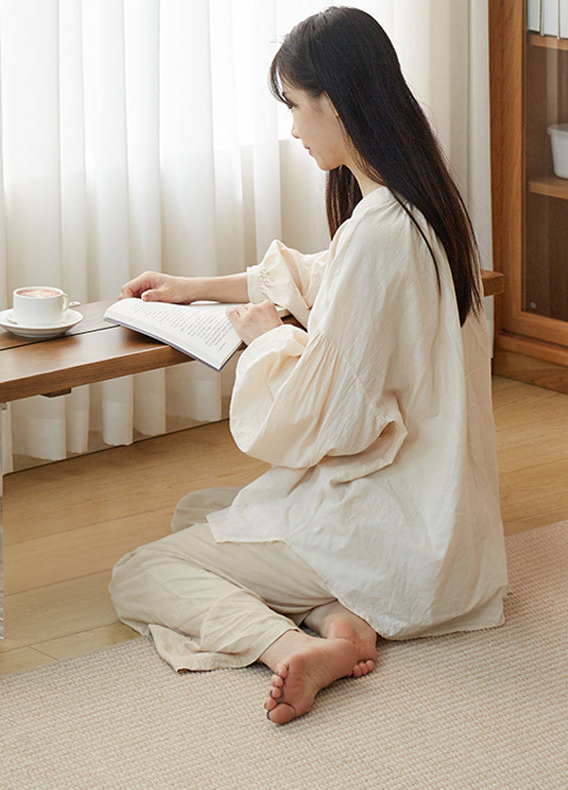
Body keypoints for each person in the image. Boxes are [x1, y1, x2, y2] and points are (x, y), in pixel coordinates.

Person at [108, 6, 507, 725]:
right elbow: (325, 274)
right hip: (442, 525)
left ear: (336, 102)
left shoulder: (380, 233)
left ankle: (292, 646)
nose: (292, 128)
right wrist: (195, 287)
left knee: (143, 569)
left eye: (295, 106)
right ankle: (339, 618)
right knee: (204, 510)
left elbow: (326, 418)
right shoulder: (421, 209)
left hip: (394, 533)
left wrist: (267, 340)